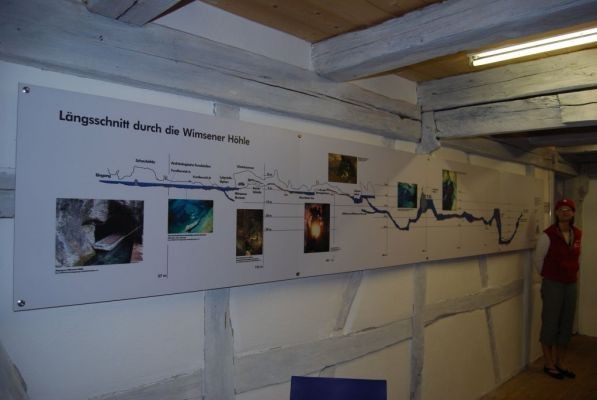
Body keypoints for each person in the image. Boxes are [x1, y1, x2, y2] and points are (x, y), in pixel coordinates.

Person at [533, 198, 582, 380]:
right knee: (550, 323)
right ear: (556, 213)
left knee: (566, 323)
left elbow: (576, 258)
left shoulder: (577, 234)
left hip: (571, 284)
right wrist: (550, 276)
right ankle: (549, 364)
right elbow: (538, 260)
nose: (565, 212)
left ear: (573, 213)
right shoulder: (547, 235)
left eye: (568, 209)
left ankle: (561, 362)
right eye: (561, 209)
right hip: (553, 283)